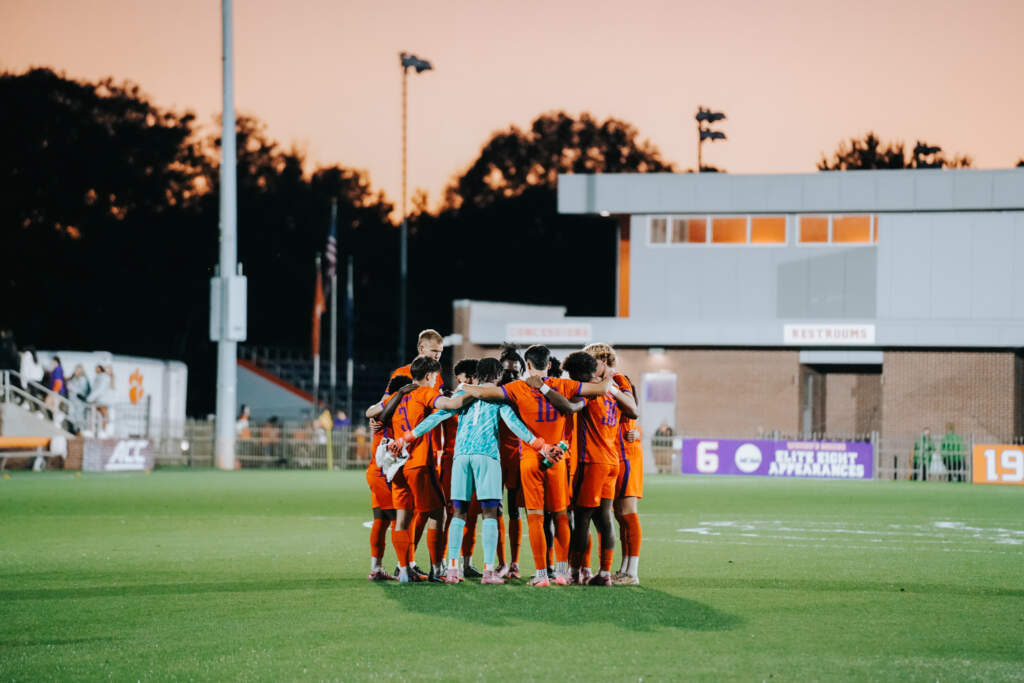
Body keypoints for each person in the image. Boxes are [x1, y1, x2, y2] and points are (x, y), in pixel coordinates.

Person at [393, 357, 566, 585]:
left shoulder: (463, 395)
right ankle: (487, 571)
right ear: (497, 376)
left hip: (461, 456)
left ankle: (453, 570)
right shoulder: (497, 398)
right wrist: (541, 446)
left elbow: (436, 417)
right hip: (487, 455)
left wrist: (406, 437)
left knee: (458, 513)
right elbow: (515, 425)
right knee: (490, 513)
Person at [459, 344, 611, 586]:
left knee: (535, 517)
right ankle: (561, 573)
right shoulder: (563, 385)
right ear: (549, 365)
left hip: (531, 459)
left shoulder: (517, 388)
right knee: (562, 516)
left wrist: (463, 386)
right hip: (558, 459)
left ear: (527, 365)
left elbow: (484, 393)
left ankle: (541, 575)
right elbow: (602, 388)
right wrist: (609, 370)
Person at [377, 356, 472, 583]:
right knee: (439, 514)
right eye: (435, 377)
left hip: (398, 466)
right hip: (420, 463)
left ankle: (404, 570)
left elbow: (375, 413)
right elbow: (451, 405)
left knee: (402, 518)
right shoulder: (425, 393)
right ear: (429, 376)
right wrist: (476, 391)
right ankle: (437, 569)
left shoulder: (398, 396)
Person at [564, 344, 638, 586]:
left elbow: (571, 406)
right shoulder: (612, 391)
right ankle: (605, 573)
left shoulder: (589, 392)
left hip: (591, 461)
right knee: (604, 519)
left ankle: (576, 571)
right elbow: (633, 411)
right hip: (611, 461)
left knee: (581, 519)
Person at [363, 375, 416, 581]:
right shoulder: (388, 412)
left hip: (377, 473)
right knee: (399, 521)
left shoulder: (389, 413)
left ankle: (376, 568)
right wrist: (401, 393)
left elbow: (371, 411)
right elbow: (373, 411)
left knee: (381, 520)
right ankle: (405, 569)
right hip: (384, 475)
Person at [614, 376, 643, 585]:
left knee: (628, 514)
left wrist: (637, 433)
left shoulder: (626, 412)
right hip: (617, 461)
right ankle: (624, 569)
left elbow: (633, 429)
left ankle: (632, 572)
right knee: (620, 516)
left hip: (628, 460)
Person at [87, 365, 114, 435]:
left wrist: (90, 398)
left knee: (102, 415)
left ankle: (101, 431)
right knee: (96, 415)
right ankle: (97, 430)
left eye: (97, 368)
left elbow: (99, 389)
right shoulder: (103, 377)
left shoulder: (103, 377)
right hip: (100, 400)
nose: (96, 370)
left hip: (101, 400)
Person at [66, 364, 91, 432]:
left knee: (79, 416)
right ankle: (73, 429)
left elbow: (82, 390)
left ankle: (79, 430)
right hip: (72, 399)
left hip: (79, 401)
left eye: (77, 369)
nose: (75, 371)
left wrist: (71, 387)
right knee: (71, 414)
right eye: (75, 369)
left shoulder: (83, 379)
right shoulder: (74, 378)